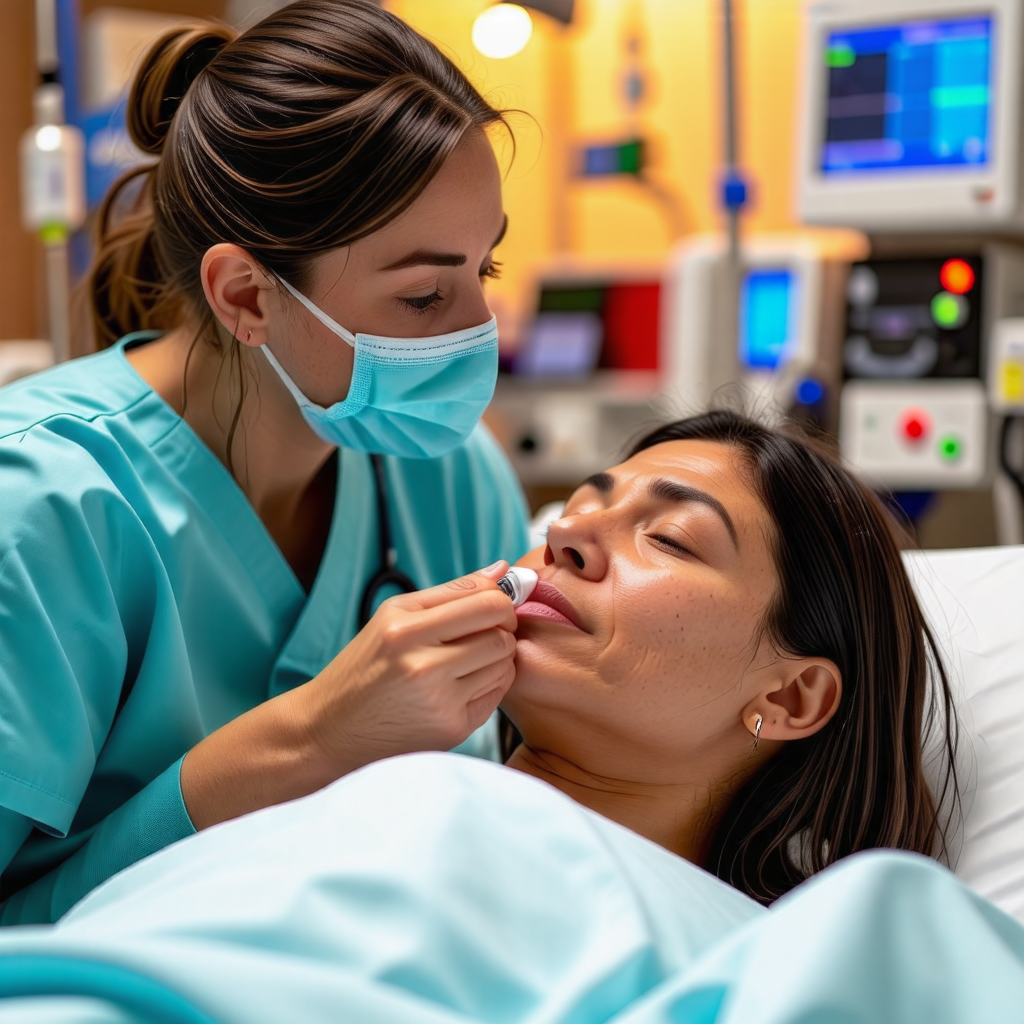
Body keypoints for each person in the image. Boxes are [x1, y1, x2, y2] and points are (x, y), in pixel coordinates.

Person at [0, 412, 985, 1024]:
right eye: (584, 506)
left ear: (788, 697)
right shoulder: (367, 800)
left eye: (671, 539)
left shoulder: (834, 939)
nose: (572, 534)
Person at [0, 0, 531, 925]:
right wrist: (304, 743)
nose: (477, 333)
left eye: (481, 272)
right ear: (246, 295)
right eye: (423, 296)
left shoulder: (452, 477)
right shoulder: (43, 509)